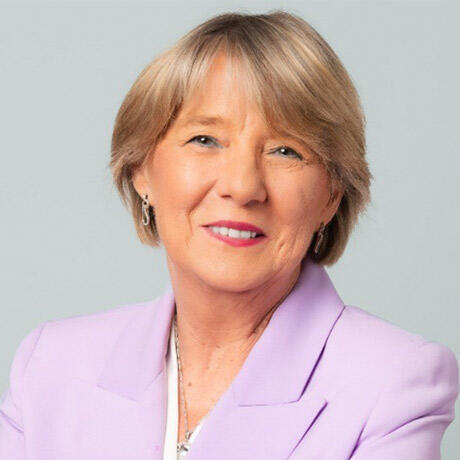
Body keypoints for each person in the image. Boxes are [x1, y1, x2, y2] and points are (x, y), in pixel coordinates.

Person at [0, 10, 458, 460]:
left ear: (331, 195)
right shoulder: (50, 367)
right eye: (205, 140)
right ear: (141, 169)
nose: (242, 186)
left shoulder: (392, 384)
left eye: (285, 150)